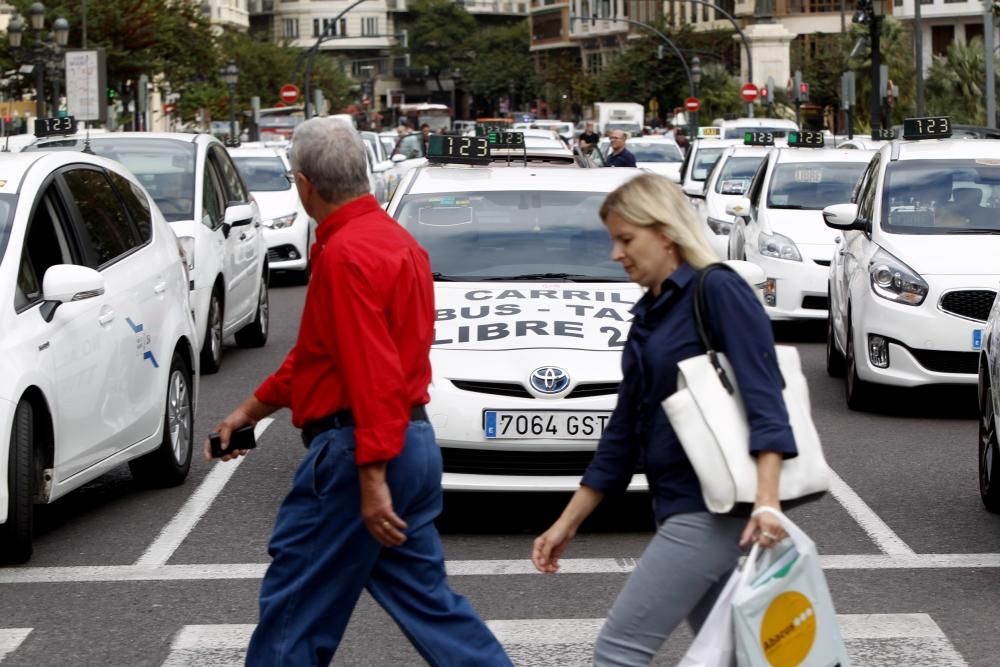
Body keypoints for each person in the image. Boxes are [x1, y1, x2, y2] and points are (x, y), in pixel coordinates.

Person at [207, 117, 512, 667]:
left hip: (360, 453)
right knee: (431, 606)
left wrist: (372, 478)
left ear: (304, 184)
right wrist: (249, 410)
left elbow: (369, 372)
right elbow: (323, 357)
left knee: (295, 606)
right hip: (413, 441)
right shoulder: (399, 243)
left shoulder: (345, 255)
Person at [532, 173, 796, 667]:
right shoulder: (650, 313)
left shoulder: (716, 290)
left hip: (714, 510)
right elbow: (623, 433)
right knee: (742, 655)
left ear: (666, 232)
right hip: (678, 504)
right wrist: (567, 524)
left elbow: (766, 398)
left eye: (626, 239)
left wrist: (767, 501)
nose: (616, 254)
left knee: (617, 653)